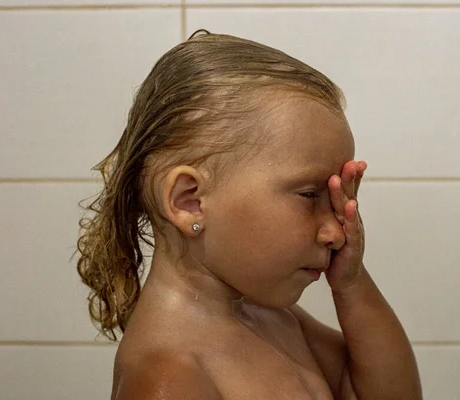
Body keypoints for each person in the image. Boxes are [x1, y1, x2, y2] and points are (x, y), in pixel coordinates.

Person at [76, 29, 422, 400]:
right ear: (189, 200)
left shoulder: (270, 317)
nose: (335, 232)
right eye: (310, 194)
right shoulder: (169, 377)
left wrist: (352, 284)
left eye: (336, 200)